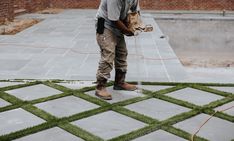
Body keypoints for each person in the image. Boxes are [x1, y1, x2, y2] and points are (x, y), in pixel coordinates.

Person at [95, 0, 140, 100]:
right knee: (108, 54)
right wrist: (127, 31)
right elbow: (113, 19)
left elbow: (135, 12)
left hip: (118, 24)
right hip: (105, 24)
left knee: (122, 53)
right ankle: (100, 87)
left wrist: (136, 25)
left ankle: (119, 83)